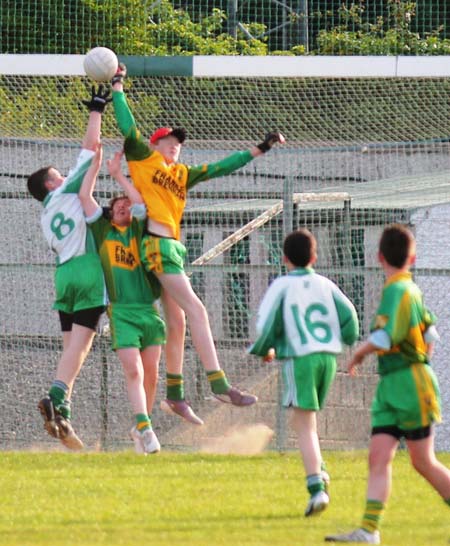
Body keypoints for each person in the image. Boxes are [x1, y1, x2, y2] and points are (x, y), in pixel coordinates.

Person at [111, 63, 285, 424]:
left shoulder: (183, 174)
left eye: (178, 143)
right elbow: (128, 127)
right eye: (168, 141)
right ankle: (219, 384)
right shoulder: (144, 159)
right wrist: (117, 88)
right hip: (157, 247)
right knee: (198, 310)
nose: (175, 146)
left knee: (178, 322)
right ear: (155, 144)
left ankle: (174, 396)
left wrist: (261, 148)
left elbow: (223, 167)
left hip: (172, 247)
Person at [325, 224, 450, 544]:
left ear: (379, 256)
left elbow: (385, 336)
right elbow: (430, 335)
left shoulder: (397, 290)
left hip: (409, 384)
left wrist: (359, 353)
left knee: (423, 461)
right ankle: (368, 531)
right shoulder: (410, 288)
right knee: (379, 457)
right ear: (414, 257)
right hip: (394, 385)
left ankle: (369, 530)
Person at [249, 228, 359, 517]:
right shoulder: (326, 284)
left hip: (301, 359)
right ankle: (320, 471)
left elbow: (268, 325)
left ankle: (317, 490)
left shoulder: (282, 286)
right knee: (309, 421)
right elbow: (351, 321)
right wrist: (345, 341)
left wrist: (263, 349)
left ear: (284, 258)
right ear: (314, 255)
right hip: (328, 358)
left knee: (304, 426)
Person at [27, 85, 111, 450]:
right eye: (59, 174)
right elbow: (90, 151)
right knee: (79, 350)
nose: (65, 175)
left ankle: (65, 419)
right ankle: (55, 397)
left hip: (63, 277)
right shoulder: (64, 193)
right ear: (51, 183)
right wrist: (97, 110)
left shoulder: (45, 215)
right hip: (88, 270)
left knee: (69, 352)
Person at [79, 147, 166, 454]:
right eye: (118, 204)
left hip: (149, 310)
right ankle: (145, 427)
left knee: (152, 373)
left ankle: (139, 427)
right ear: (111, 210)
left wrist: (121, 176)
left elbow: (141, 203)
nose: (123, 207)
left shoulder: (140, 231)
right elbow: (85, 198)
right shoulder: (104, 232)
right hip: (123, 312)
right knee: (134, 371)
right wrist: (97, 167)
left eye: (127, 205)